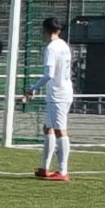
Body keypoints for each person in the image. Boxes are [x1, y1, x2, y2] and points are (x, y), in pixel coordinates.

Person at [26, 16, 74, 181]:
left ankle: (62, 171)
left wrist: (33, 87)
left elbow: (49, 74)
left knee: (60, 130)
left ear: (45, 30)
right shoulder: (63, 45)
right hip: (64, 91)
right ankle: (45, 167)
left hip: (58, 94)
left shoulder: (51, 48)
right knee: (48, 128)